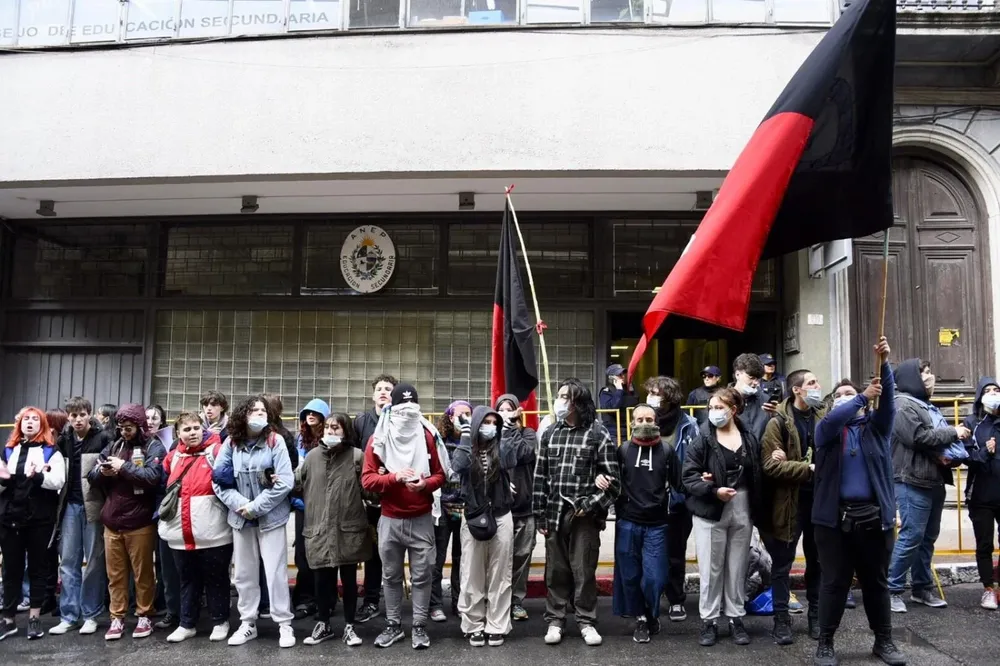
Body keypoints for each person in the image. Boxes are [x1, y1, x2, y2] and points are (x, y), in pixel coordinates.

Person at [812, 337, 905, 666]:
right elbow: (831, 423)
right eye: (838, 396)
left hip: (873, 519)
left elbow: (889, 401)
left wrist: (885, 364)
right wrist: (861, 396)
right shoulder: (826, 430)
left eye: (850, 395)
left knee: (876, 582)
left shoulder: (876, 428)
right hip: (833, 522)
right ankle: (825, 643)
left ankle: (884, 641)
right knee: (834, 582)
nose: (845, 399)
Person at [532, 378, 620, 647]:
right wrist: (539, 514)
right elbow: (540, 477)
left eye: (565, 397)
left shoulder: (598, 433)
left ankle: (585, 621)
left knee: (584, 571)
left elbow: (614, 483)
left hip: (585, 518)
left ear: (578, 402)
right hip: (554, 514)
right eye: (559, 396)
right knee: (555, 571)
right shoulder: (550, 433)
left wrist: (590, 504)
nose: (559, 401)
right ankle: (555, 619)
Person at [361, 383, 446, 650]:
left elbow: (441, 475)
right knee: (391, 576)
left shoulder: (428, 436)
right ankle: (393, 625)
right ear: (392, 410)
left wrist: (425, 485)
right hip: (390, 519)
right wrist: (394, 477)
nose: (407, 414)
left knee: (422, 575)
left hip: (421, 518)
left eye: (413, 409)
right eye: (402, 409)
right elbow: (367, 479)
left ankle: (419, 626)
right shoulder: (379, 439)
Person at [211, 395, 296, 648]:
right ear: (243, 415)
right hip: (241, 520)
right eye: (254, 410)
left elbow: (285, 481)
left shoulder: (275, 441)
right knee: (245, 574)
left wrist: (255, 507)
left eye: (263, 410)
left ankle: (284, 624)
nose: (260, 414)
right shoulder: (230, 444)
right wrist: (241, 506)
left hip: (271, 518)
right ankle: (247, 623)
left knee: (276, 572)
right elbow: (219, 480)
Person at [682, 387, 762, 648]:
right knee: (711, 568)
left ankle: (736, 618)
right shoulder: (702, 438)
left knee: (737, 567)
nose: (715, 412)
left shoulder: (748, 436)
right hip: (711, 510)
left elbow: (757, 472)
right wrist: (712, 489)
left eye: (720, 407)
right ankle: (709, 620)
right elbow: (688, 477)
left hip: (742, 506)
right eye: (712, 408)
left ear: (733, 409)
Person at [887, 358, 969, 614]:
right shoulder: (902, 404)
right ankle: (892, 589)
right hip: (911, 479)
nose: (930, 377)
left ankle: (922, 588)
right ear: (911, 377)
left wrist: (949, 455)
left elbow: (932, 442)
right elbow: (918, 437)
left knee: (927, 539)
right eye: (924, 373)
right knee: (911, 536)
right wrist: (954, 433)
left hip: (932, 478)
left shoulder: (925, 405)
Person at [452, 403, 535, 648]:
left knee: (501, 574)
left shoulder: (502, 445)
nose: (490, 427)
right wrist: (467, 436)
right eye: (485, 423)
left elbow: (512, 458)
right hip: (473, 517)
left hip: (501, 515)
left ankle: (497, 625)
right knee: (472, 573)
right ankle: (473, 625)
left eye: (493, 423)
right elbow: (458, 466)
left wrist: (508, 428)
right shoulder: (467, 447)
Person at [88, 403, 166, 641]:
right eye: (121, 427)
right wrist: (103, 472)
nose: (124, 431)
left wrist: (123, 467)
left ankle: (144, 615)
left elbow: (153, 477)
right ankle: (117, 617)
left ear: (140, 425)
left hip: (140, 521)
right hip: (112, 520)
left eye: (129, 427)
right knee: (116, 574)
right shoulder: (114, 445)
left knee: (143, 573)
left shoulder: (154, 447)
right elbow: (91, 475)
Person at [760, 368, 826, 644]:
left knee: (818, 562)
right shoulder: (779, 422)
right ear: (797, 390)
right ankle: (782, 620)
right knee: (782, 564)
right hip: (789, 504)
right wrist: (808, 468)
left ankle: (816, 616)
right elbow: (771, 464)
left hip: (820, 502)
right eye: (811, 383)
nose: (817, 386)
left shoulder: (824, 417)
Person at [157, 412, 232, 643]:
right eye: (187, 429)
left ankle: (220, 621)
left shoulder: (217, 452)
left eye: (196, 428)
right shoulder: (172, 458)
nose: (192, 433)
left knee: (216, 578)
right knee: (187, 579)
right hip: (181, 533)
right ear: (178, 433)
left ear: (204, 429)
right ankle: (187, 623)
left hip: (213, 532)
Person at [300, 413, 373, 647]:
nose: (332, 432)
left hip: (348, 531)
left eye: (337, 428)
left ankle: (350, 626)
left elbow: (370, 492)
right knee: (322, 580)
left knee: (350, 580)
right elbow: (294, 483)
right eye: (329, 427)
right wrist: (271, 479)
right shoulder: (312, 457)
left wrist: (380, 480)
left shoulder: (356, 456)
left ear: (346, 432)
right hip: (319, 530)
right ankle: (323, 624)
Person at [608, 404, 676, 643]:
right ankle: (642, 619)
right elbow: (613, 480)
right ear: (632, 423)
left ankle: (652, 611)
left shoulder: (667, 451)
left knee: (654, 577)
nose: (645, 423)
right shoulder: (623, 450)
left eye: (649, 419)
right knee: (629, 576)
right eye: (640, 419)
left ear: (656, 422)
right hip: (627, 523)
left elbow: (679, 484)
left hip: (657, 525)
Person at [0, 408, 66, 641]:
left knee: (37, 568)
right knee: (11, 569)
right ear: (19, 424)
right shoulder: (9, 450)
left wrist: (38, 476)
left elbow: (58, 481)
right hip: (10, 519)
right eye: (26, 419)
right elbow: (4, 483)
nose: (29, 422)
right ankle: (8, 620)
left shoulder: (51, 451)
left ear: (43, 425)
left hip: (39, 519)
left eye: (35, 419)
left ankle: (34, 618)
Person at [50, 397, 111, 636]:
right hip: (69, 507)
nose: (77, 420)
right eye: (73, 416)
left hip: (94, 507)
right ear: (68, 417)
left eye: (82, 415)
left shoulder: (104, 438)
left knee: (94, 563)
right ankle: (68, 615)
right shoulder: (63, 440)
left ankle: (91, 615)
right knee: (67, 562)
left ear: (89, 415)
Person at [644, 375, 698, 622]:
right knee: (651, 553)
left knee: (676, 552)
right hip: (649, 500)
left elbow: (694, 459)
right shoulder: (644, 421)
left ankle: (676, 599)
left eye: (657, 393)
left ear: (670, 398)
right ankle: (650, 600)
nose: (651, 397)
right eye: (650, 393)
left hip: (677, 500)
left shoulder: (688, 424)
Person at [354, 373, 397, 623]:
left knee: (393, 552)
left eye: (388, 388)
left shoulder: (401, 419)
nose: (383, 392)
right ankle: (371, 601)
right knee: (372, 554)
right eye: (379, 388)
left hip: (395, 497)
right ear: (373, 395)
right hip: (369, 499)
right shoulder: (361, 422)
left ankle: (397, 605)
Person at [494, 394, 537, 622]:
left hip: (525, 507)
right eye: (501, 409)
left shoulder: (528, 434)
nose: (505, 412)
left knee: (522, 555)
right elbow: (498, 461)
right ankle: (498, 600)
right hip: (500, 509)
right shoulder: (491, 436)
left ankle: (516, 600)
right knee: (500, 557)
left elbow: (523, 455)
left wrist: (511, 428)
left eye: (510, 408)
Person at [430, 400, 470, 622]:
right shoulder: (440, 440)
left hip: (464, 507)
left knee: (461, 559)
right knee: (437, 558)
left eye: (468, 414)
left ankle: (459, 602)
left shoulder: (472, 441)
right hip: (442, 507)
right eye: (460, 413)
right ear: (449, 416)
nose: (464, 418)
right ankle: (435, 604)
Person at [291, 398, 330, 621]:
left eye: (315, 412)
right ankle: (305, 599)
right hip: (303, 506)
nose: (310, 416)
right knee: (303, 555)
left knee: (325, 555)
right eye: (306, 413)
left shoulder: (330, 440)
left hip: (325, 507)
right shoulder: (300, 441)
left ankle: (325, 600)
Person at [963, 378, 1000, 609]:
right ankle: (988, 589)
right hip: (981, 497)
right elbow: (968, 459)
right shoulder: (972, 424)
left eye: (996, 390)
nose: (993, 394)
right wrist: (986, 452)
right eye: (987, 391)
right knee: (984, 543)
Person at [732, 353, 775, 440]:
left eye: (758, 378)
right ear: (737, 375)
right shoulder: (722, 400)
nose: (756, 383)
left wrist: (777, 415)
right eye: (751, 378)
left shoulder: (765, 400)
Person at [598, 363, 637, 443]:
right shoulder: (606, 391)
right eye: (619, 375)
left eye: (624, 374)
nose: (623, 376)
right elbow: (611, 408)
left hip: (630, 430)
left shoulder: (629, 390)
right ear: (612, 378)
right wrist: (619, 390)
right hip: (614, 432)